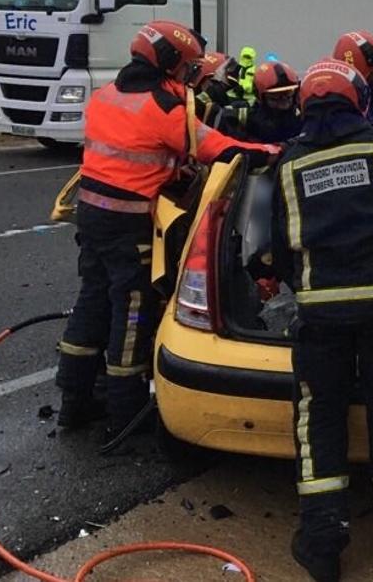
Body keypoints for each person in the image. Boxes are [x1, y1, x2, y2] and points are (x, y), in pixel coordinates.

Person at [56, 21, 278, 438]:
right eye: (186, 66)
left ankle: (73, 401)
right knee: (133, 310)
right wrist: (274, 153)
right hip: (129, 224)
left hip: (92, 217)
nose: (189, 74)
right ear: (170, 63)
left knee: (92, 301)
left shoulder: (106, 96)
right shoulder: (162, 109)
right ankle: (125, 415)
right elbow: (218, 149)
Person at [272, 59, 373, 581]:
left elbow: (276, 247)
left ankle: (322, 548)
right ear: (357, 99)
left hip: (322, 314)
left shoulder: (288, 163)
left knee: (318, 421)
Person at [231, 61, 302, 144]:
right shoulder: (244, 116)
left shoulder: (303, 116)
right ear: (259, 95)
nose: (283, 98)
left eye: (289, 92)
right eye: (276, 94)